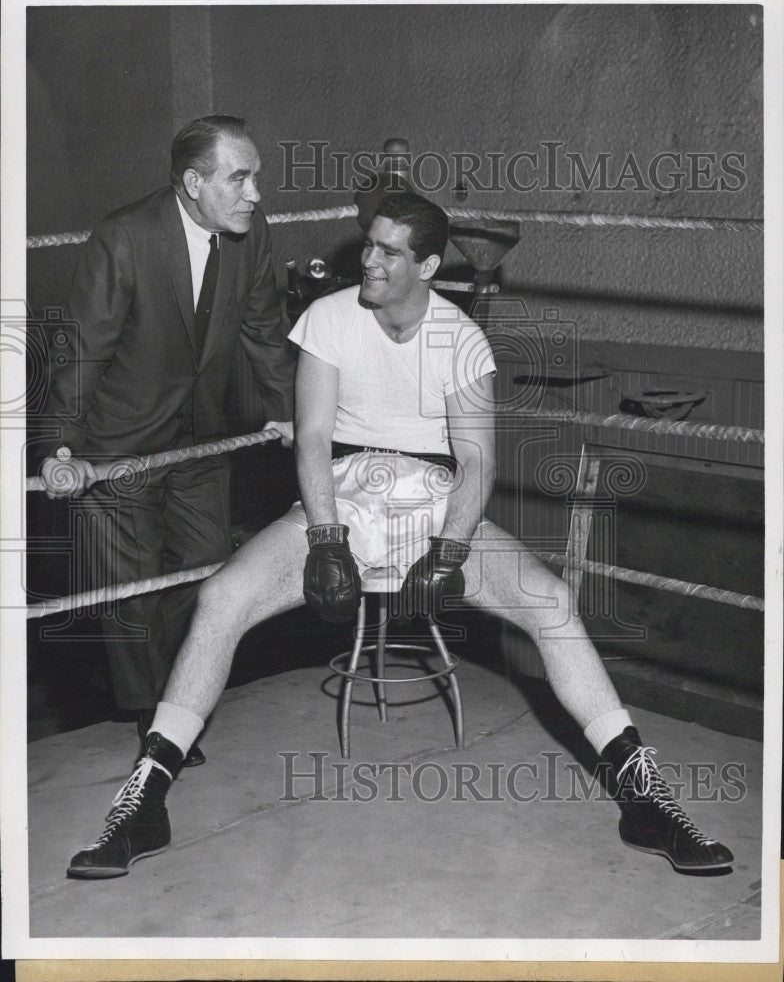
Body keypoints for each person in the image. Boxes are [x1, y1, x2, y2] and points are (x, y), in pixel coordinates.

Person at [66, 192, 733, 878]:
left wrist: (449, 550)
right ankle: (145, 798)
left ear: (429, 265)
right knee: (222, 598)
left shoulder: (459, 338)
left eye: (389, 251)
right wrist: (325, 536)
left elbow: (476, 460)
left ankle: (645, 797)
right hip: (345, 491)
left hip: (431, 497)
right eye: (369, 244)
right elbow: (315, 439)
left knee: (551, 603)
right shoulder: (328, 318)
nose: (370, 260)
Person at [34, 116, 295, 765]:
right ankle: (156, 718)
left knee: (206, 563)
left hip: (202, 437)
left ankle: (177, 694)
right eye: (240, 178)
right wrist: (61, 450)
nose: (255, 193)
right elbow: (82, 350)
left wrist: (292, 413)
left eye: (255, 176)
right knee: (131, 587)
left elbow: (264, 331)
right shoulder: (125, 237)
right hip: (118, 440)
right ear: (192, 182)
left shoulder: (251, 234)